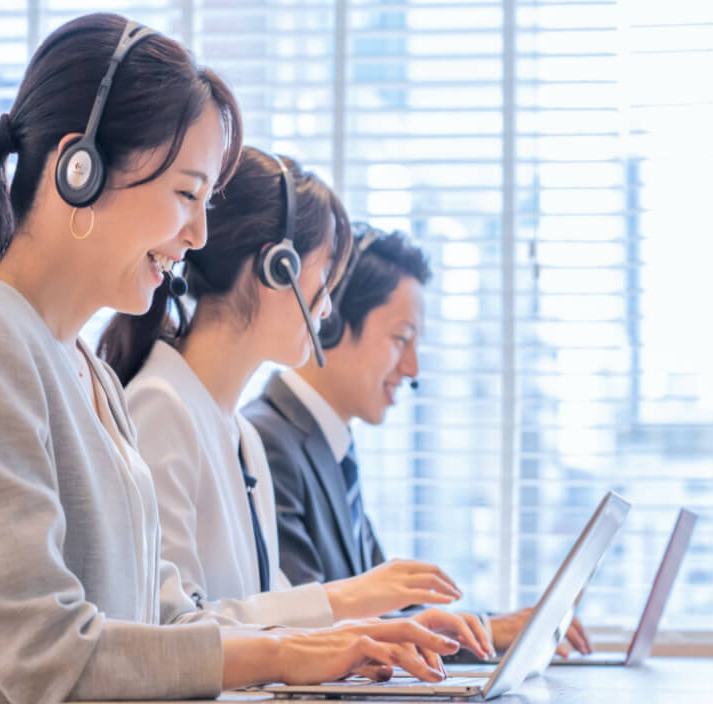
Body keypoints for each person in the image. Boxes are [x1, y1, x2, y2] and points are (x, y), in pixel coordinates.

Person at [0, 13, 457, 704]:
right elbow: (42, 654)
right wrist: (286, 653)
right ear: (80, 170)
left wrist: (319, 649)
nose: (199, 233)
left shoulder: (86, 372)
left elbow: (165, 621)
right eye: (187, 194)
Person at [98, 147, 491, 661]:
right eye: (324, 276)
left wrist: (388, 630)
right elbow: (171, 632)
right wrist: (352, 598)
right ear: (275, 269)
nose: (326, 306)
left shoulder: (239, 433)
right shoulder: (159, 407)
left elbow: (271, 609)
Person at [243, 224, 593, 657]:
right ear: (330, 321)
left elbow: (390, 614)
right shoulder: (265, 441)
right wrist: (487, 629)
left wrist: (494, 631)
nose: (411, 369)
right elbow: (311, 629)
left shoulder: (330, 447)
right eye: (400, 339)